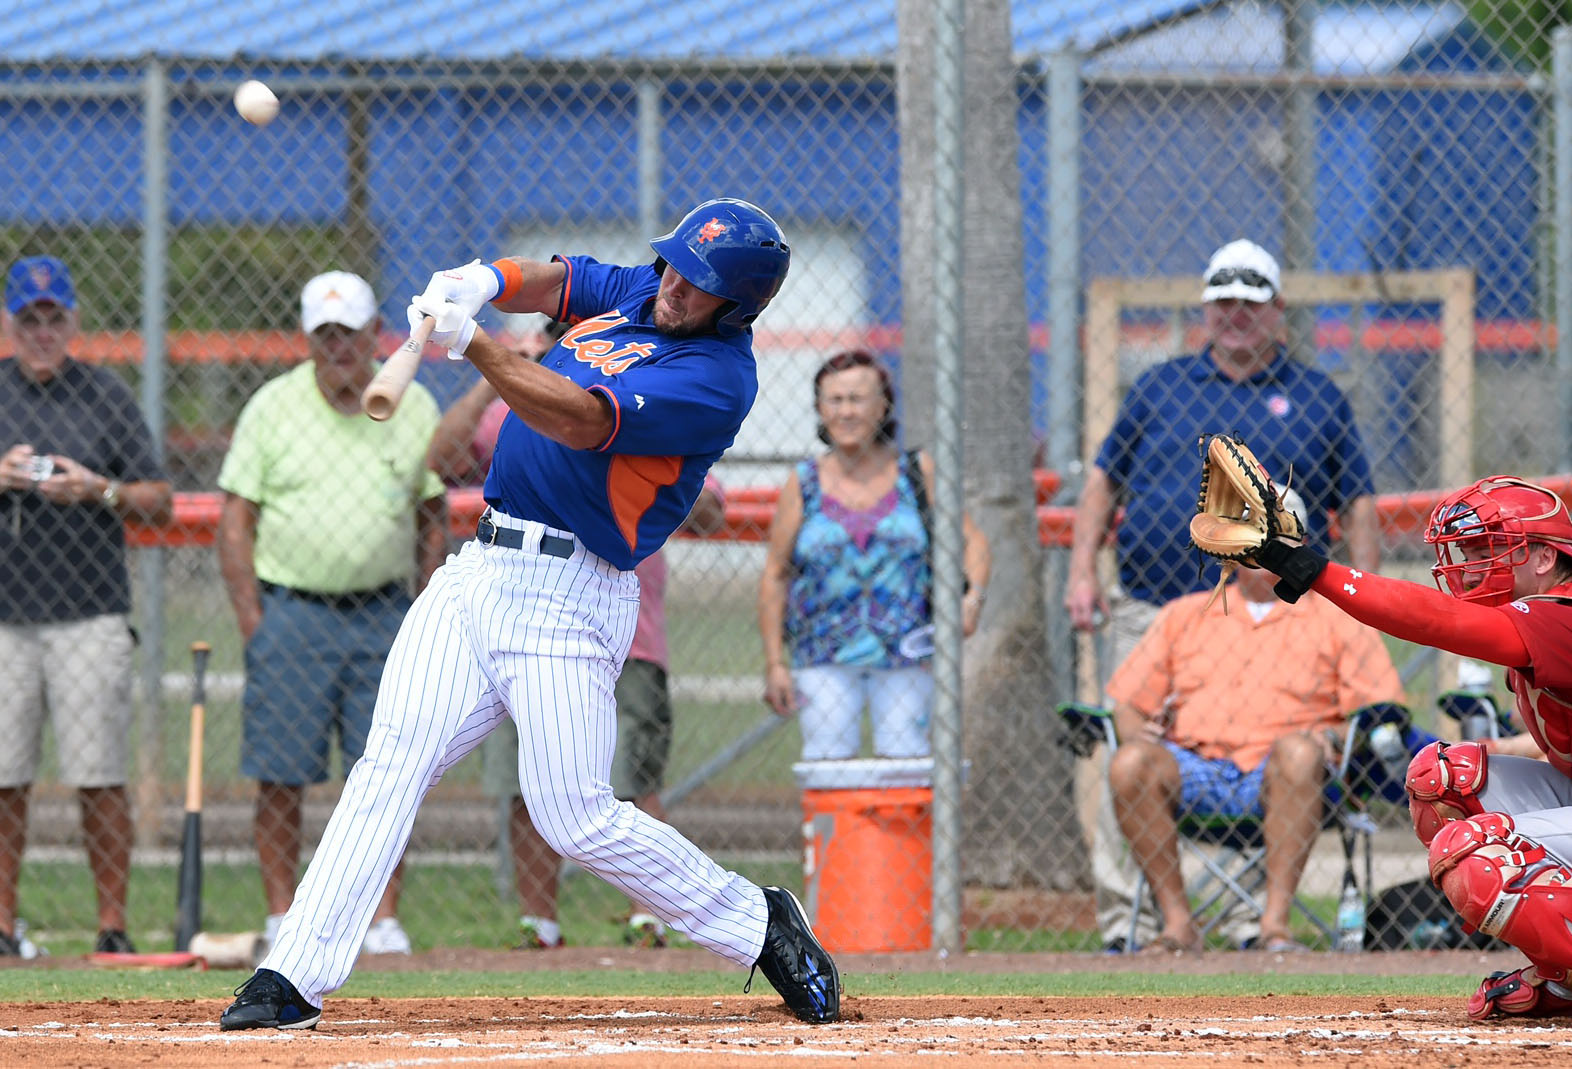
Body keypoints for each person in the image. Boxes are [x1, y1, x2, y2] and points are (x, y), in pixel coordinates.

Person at [220, 197, 841, 1031]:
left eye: (699, 287)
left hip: (572, 595)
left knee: (572, 813)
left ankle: (759, 921)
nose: (674, 290)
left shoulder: (716, 378)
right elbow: (564, 280)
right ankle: (291, 973)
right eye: (675, 269)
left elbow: (580, 420)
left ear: (740, 307)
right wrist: (480, 281)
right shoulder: (646, 290)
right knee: (390, 762)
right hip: (479, 570)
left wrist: (472, 344)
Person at [1064, 239, 1381, 949]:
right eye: (1223, 302)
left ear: (1278, 310)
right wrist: (1082, 569)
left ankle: (1248, 922)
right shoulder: (1158, 387)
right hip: (1156, 609)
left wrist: (1359, 600)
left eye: (1250, 301)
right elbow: (1100, 484)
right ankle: (1134, 923)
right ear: (1207, 308)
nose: (1235, 315)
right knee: (1127, 746)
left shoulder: (1319, 396)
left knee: (1258, 746)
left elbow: (1357, 504)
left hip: (1277, 613)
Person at [427, 325, 726, 950]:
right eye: (560, 341)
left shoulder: (646, 400)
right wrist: (505, 376)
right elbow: (440, 458)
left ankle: (654, 916)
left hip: (626, 633)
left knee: (629, 783)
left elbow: (710, 510)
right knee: (528, 785)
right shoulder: (519, 400)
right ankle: (541, 923)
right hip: (519, 620)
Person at [1240, 475, 1572, 1018]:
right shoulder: (1546, 615)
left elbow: (1435, 620)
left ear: (1543, 557)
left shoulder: (1561, 613)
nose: (1470, 564)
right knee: (1443, 777)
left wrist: (1318, 569)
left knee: (1475, 854)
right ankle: (1564, 980)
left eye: (1488, 549)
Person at [216, 271, 447, 959]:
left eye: (350, 334)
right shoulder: (273, 407)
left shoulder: (412, 402)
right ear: (309, 339)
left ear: (375, 335)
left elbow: (432, 513)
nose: (339, 347)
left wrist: (423, 604)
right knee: (281, 772)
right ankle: (283, 914)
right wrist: (256, 622)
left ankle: (381, 917)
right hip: (293, 609)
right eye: (326, 335)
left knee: (387, 770)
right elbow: (236, 521)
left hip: (383, 613)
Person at [1104, 493, 1404, 955]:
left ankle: (1274, 928)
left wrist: (1331, 736)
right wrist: (1137, 733)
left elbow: (1380, 713)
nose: (1262, 550)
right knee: (1130, 763)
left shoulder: (1339, 616)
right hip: (1197, 767)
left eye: (1276, 537)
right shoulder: (1183, 615)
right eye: (1251, 537)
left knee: (1299, 752)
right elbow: (1127, 704)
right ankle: (1177, 926)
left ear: (1301, 544)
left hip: (1289, 776)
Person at [0, 255, 172, 957]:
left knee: (99, 774)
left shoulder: (104, 395)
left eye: (54, 318)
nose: (43, 330)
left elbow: (155, 498)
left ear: (73, 321)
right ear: (12, 323)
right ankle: (3, 925)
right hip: (6, 615)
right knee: (4, 777)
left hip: (90, 609)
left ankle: (111, 925)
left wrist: (98, 489)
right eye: (30, 319)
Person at [758, 349, 991, 759]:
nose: (847, 412)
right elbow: (776, 573)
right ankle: (832, 827)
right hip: (823, 653)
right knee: (827, 762)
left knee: (907, 764)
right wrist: (775, 662)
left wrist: (971, 599)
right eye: (835, 400)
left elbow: (974, 541)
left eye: (858, 399)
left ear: (883, 406)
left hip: (907, 652)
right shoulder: (805, 483)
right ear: (819, 408)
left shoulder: (917, 473)